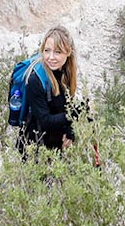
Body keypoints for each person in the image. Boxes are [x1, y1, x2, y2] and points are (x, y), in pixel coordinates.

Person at [20, 26, 80, 154]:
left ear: (68, 52)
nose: (51, 57)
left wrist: (70, 131)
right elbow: (45, 120)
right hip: (34, 149)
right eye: (47, 51)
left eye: (57, 52)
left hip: (55, 147)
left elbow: (63, 108)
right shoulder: (34, 80)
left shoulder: (65, 73)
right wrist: (73, 115)